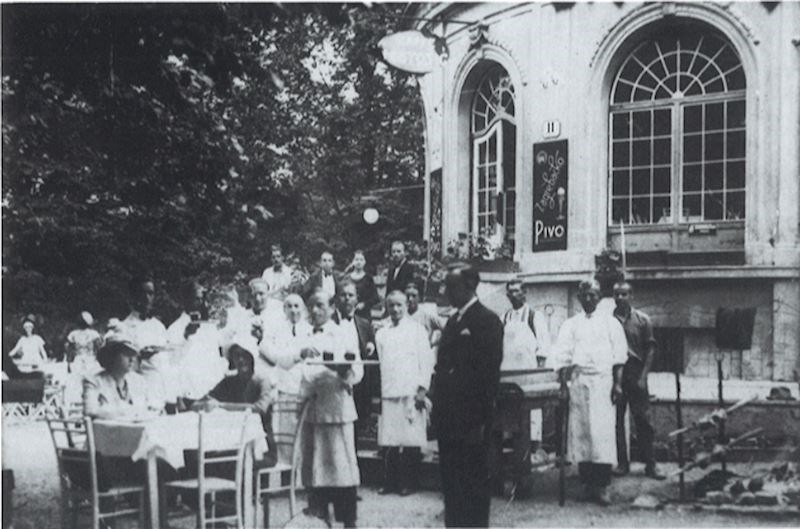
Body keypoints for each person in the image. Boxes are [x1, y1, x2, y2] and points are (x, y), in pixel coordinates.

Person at [431, 265, 503, 528]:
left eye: (451, 286)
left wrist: (480, 422)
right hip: (448, 421)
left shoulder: (487, 321)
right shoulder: (453, 321)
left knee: (473, 484)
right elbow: (442, 368)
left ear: (470, 286)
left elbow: (488, 376)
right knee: (452, 486)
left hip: (471, 422)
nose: (445, 292)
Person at [551, 279, 628, 505]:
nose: (588, 299)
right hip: (579, 382)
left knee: (601, 435)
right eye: (584, 295)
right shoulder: (571, 325)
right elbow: (562, 357)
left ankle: (603, 486)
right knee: (582, 433)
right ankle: (587, 483)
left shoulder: (611, 323)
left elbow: (619, 357)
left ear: (599, 297)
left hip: (603, 382)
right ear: (578, 298)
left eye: (592, 295)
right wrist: (563, 386)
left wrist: (618, 384)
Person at [299, 289, 363, 528]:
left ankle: (348, 521)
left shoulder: (342, 333)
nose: (315, 311)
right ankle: (320, 520)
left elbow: (357, 368)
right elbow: (298, 367)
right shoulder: (304, 334)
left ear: (332, 307)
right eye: (312, 306)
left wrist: (343, 372)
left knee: (341, 467)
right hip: (312, 410)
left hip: (337, 409)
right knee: (316, 468)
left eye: (320, 305)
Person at [375, 291, 433, 496]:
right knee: (390, 439)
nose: (396, 310)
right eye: (391, 306)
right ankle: (390, 481)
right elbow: (382, 364)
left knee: (410, 439)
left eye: (399, 305)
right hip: (390, 390)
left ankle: (409, 482)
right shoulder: (382, 333)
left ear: (407, 305)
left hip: (410, 391)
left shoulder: (417, 330)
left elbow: (426, 361)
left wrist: (421, 389)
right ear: (387, 307)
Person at [612, 281, 665, 480]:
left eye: (624, 294)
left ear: (631, 296)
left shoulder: (643, 320)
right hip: (615, 374)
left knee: (643, 420)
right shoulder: (608, 320)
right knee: (617, 420)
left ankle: (650, 464)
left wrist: (643, 377)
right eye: (616, 294)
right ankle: (622, 463)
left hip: (636, 372)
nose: (620, 298)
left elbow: (650, 349)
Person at [258, 293, 312, 464]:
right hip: (283, 387)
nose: (293, 310)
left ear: (303, 309)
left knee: (303, 435)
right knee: (283, 432)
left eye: (297, 306)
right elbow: (275, 356)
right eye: (289, 306)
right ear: (284, 309)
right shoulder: (275, 330)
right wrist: (294, 356)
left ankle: (300, 480)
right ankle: (285, 473)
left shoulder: (309, 330)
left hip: (303, 387)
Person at [166, 281, 228, 404]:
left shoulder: (209, 327)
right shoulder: (175, 329)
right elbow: (171, 364)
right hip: (188, 396)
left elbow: (217, 359)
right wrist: (185, 337)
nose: (199, 303)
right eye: (195, 299)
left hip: (212, 395)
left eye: (201, 299)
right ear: (185, 300)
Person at [122, 274, 174, 411]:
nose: (146, 299)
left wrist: (173, 396)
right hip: (142, 393)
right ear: (132, 296)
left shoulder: (159, 326)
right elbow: (120, 370)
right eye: (142, 293)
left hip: (164, 392)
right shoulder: (124, 328)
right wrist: (139, 358)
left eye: (150, 293)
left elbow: (167, 364)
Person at [332, 280, 376, 437]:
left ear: (357, 299)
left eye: (351, 295)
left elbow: (370, 353)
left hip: (359, 384)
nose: (347, 299)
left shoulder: (364, 324)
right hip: (335, 383)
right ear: (336, 299)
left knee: (356, 429)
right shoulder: (329, 323)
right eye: (343, 295)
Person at [83, 330, 160, 419]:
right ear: (112, 355)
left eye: (133, 355)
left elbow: (149, 407)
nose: (132, 359)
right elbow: (90, 411)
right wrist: (127, 411)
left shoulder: (138, 380)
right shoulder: (94, 381)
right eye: (126, 354)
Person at [501, 280, 544, 370]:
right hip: (507, 369)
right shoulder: (504, 318)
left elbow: (543, 348)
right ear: (507, 295)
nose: (513, 295)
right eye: (510, 291)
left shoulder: (534, 316)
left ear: (524, 293)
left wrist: (539, 370)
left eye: (516, 291)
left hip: (527, 370)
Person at [405, 281, 444, 348]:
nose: (410, 299)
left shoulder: (427, 316)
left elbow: (448, 329)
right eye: (407, 296)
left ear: (419, 297)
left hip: (423, 353)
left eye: (414, 296)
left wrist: (434, 342)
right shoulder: (401, 315)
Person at [65, 311, 103, 377]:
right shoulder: (93, 334)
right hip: (90, 360)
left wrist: (68, 363)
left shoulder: (73, 334)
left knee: (78, 379)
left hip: (78, 360)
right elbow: (99, 348)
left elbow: (69, 350)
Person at [261, 244, 294, 319]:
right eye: (273, 257)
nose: (276, 259)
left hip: (284, 305)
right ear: (271, 259)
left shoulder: (289, 272)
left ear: (282, 258)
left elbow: (290, 293)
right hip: (269, 306)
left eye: (278, 256)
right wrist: (278, 291)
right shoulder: (267, 272)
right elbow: (263, 292)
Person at [344, 250, 379, 320]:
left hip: (363, 314)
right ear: (353, 262)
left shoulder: (368, 279)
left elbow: (375, 298)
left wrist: (364, 304)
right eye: (356, 259)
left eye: (361, 260)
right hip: (348, 312)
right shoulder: (347, 278)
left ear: (364, 262)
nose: (359, 262)